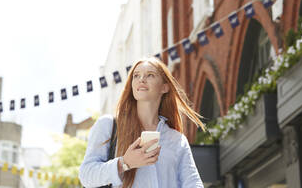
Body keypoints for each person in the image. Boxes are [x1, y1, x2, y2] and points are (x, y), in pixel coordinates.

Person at [79, 57, 206, 188]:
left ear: (164, 87)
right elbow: (86, 176)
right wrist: (124, 163)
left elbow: (193, 183)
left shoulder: (176, 139)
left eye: (150, 75)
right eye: (136, 75)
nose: (141, 79)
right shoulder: (109, 125)